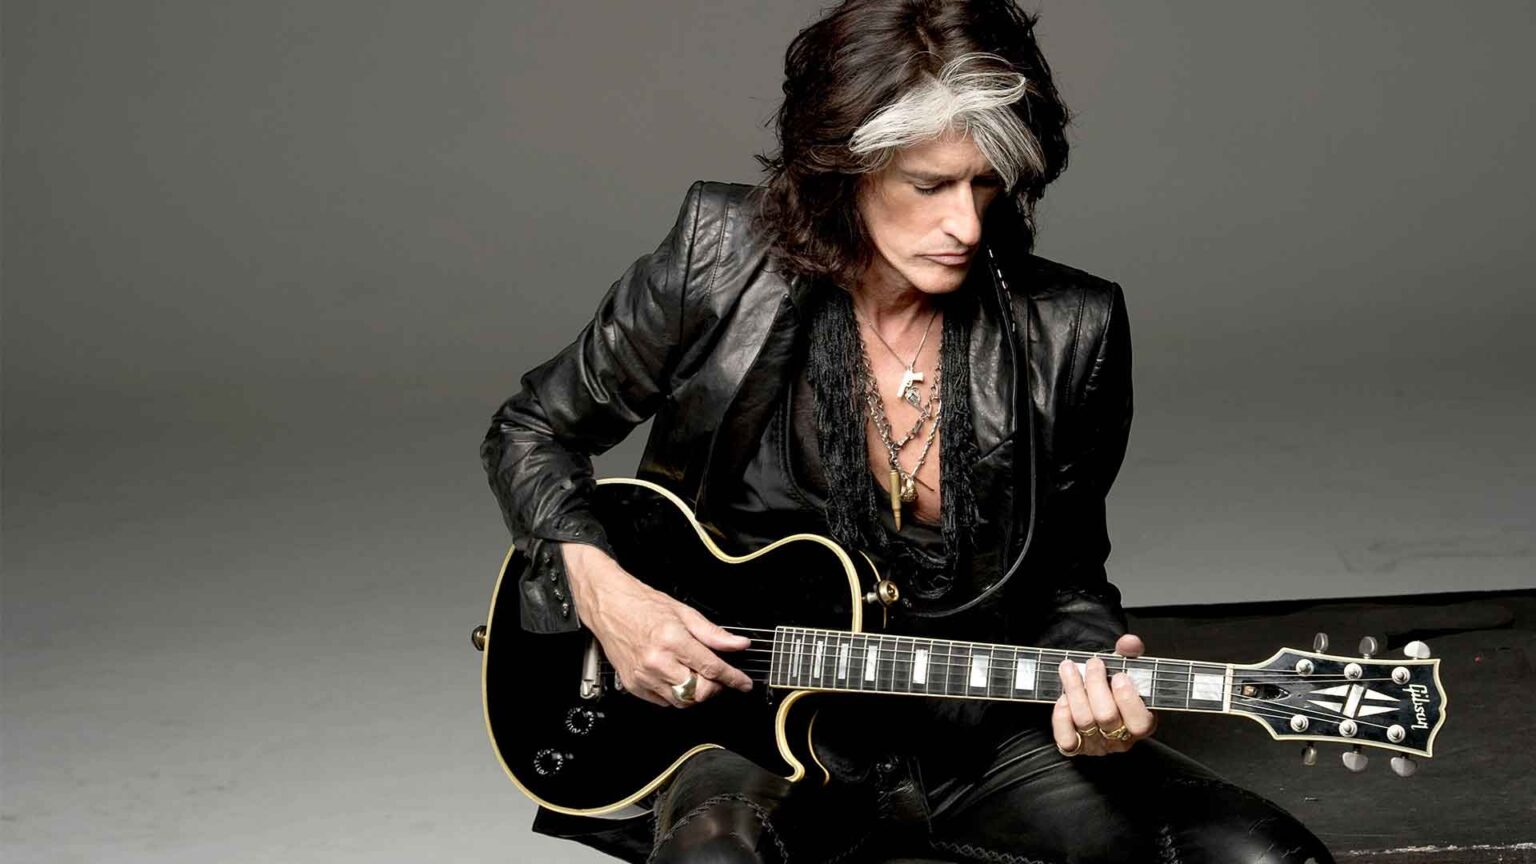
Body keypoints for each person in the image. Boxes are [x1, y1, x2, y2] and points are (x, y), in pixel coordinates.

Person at [482, 2, 1333, 861]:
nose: (967, 224)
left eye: (987, 182)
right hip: (742, 722)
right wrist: (605, 594)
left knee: (1263, 857)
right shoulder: (721, 256)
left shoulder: (1072, 327)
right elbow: (531, 429)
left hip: (975, 730)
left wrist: (1096, 687)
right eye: (929, 185)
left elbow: (1067, 581)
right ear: (843, 168)